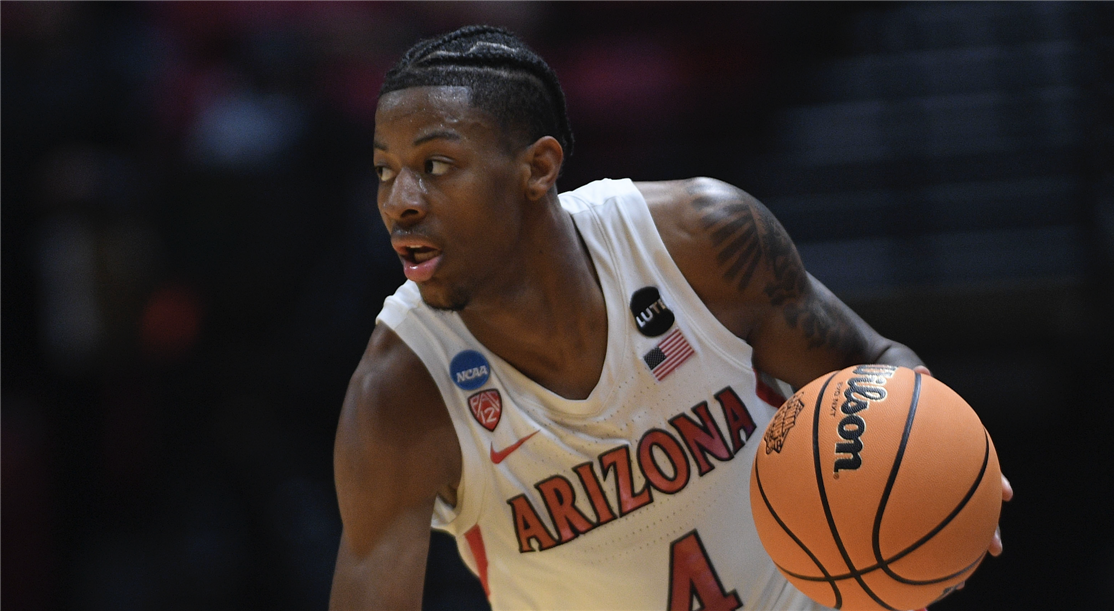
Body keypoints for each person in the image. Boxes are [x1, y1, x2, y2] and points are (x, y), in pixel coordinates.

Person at [329, 25, 1010, 611]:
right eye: (385, 171)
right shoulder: (401, 391)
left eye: (436, 164)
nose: (401, 201)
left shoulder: (700, 241)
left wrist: (942, 459)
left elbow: (873, 364)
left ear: (537, 168)